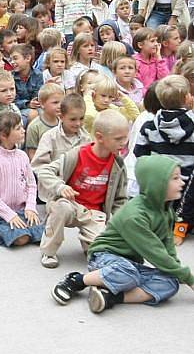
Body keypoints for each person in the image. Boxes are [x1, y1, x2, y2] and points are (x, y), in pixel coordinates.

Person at [51, 156, 194, 313]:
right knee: (128, 273)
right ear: (157, 183)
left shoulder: (165, 210)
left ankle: (109, 297)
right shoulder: (134, 216)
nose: (182, 182)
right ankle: (77, 280)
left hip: (130, 264)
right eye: (175, 178)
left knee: (169, 282)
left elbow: (167, 246)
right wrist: (189, 278)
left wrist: (178, 273)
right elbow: (155, 252)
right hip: (104, 257)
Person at [37, 110, 129, 269]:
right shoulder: (76, 154)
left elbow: (120, 199)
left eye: (125, 137)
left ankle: (89, 243)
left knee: (101, 253)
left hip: (95, 214)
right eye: (118, 139)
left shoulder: (118, 164)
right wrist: (60, 186)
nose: (124, 143)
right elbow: (44, 171)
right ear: (100, 137)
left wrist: (120, 223)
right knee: (61, 207)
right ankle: (49, 251)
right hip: (71, 205)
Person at [133, 74, 194, 244]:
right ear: (186, 98)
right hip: (187, 188)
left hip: (159, 184)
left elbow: (140, 153)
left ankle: (156, 223)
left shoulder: (150, 125)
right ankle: (181, 229)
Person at [0, 112, 44, 248]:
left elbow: (31, 184)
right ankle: (1, 231)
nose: (24, 130)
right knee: (22, 238)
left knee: (43, 235)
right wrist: (9, 215)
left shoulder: (22, 156)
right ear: (3, 135)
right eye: (18, 128)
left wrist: (31, 207)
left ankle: (23, 225)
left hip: (22, 210)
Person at [25, 82, 64, 161]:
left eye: (62, 102)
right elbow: (32, 154)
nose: (60, 106)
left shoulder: (63, 123)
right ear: (42, 104)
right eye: (55, 102)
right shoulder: (34, 127)